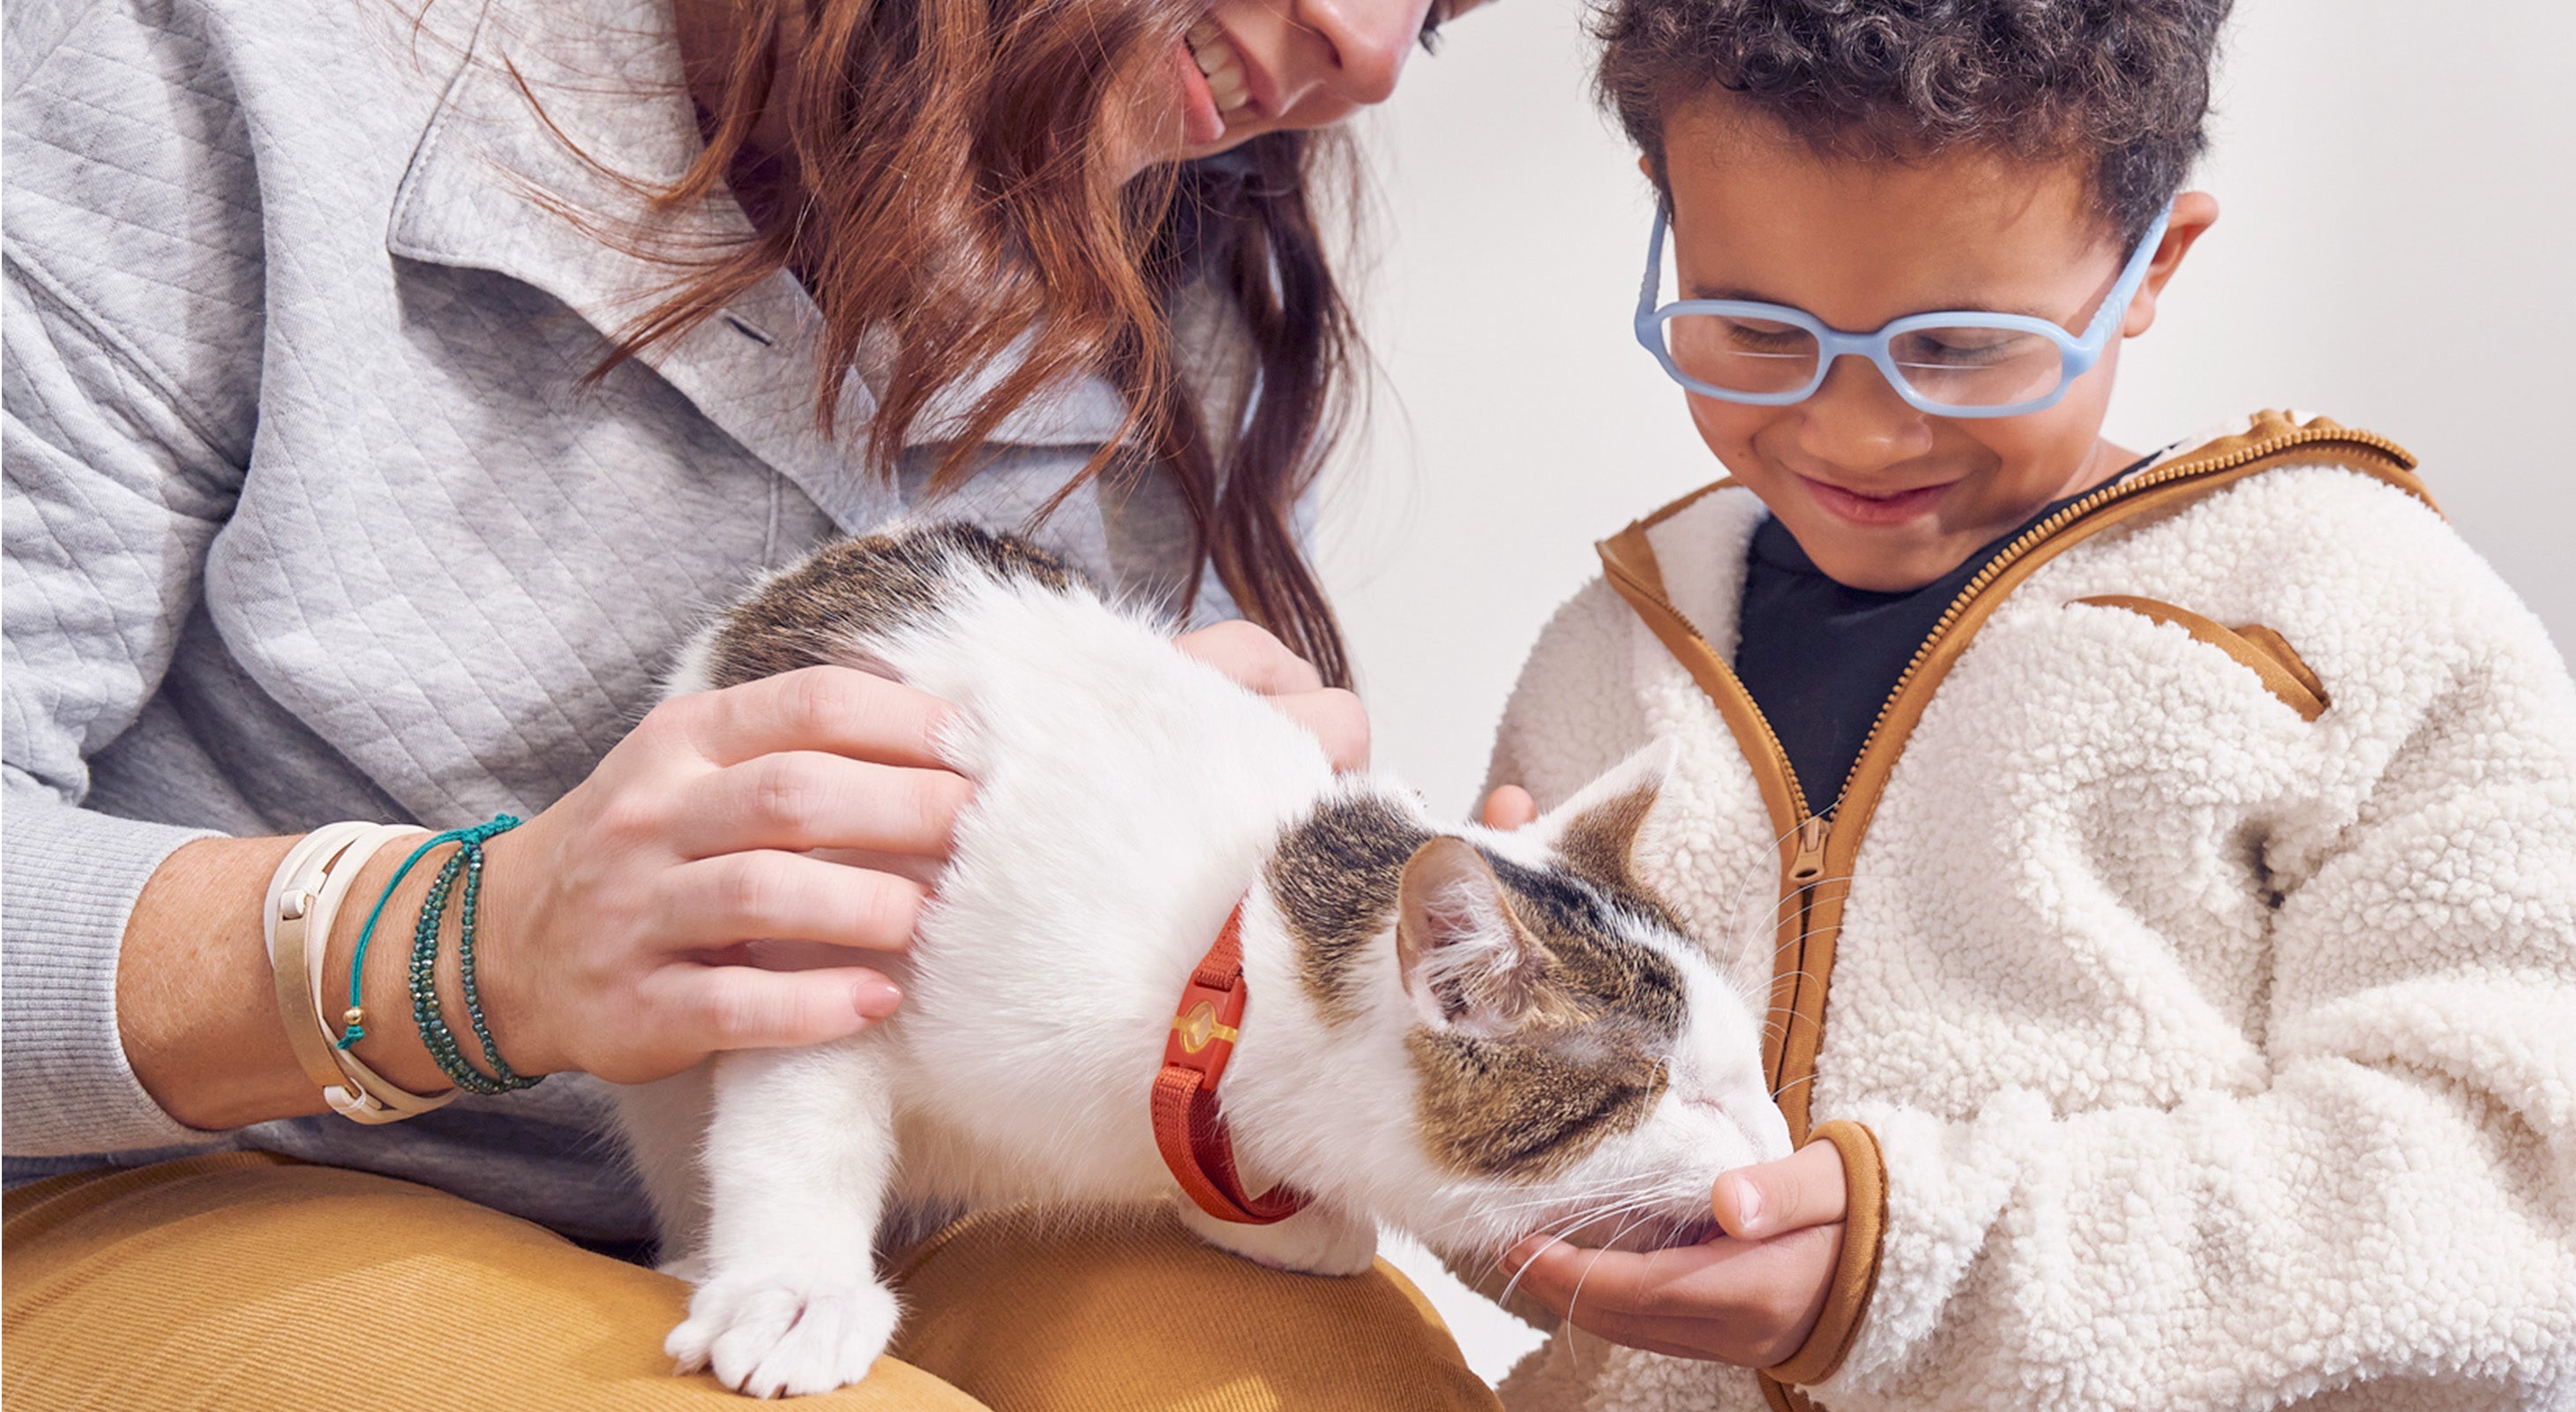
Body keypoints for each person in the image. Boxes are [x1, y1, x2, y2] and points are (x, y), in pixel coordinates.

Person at [1, 0, 1502, 1406]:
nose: (1363, 55)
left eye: (1436, 11)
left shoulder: (1173, 250)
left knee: (1318, 1377)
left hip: (894, 1199)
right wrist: (464, 945)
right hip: (182, 1175)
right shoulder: (229, 66)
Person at [1472, 2, 2576, 1408]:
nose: (1856, 431)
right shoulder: (1611, 660)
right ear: (1671, 218)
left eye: (1955, 347)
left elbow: (2520, 1169)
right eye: (1758, 332)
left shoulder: (2331, 608)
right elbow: (1518, 1233)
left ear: (2151, 264)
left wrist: (1913, 1270)